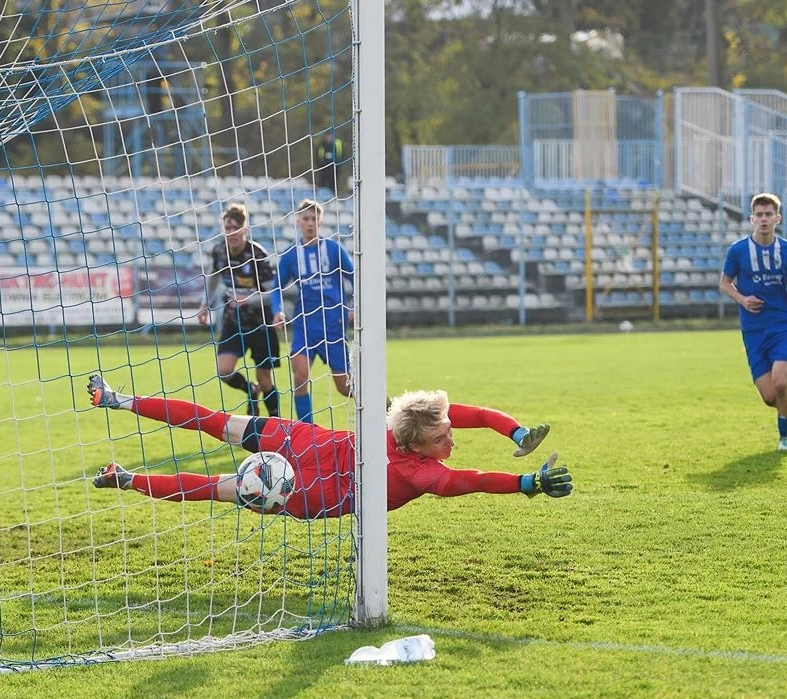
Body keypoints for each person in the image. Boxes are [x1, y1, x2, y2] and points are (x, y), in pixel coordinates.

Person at [85, 373, 566, 519]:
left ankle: (126, 479)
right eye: (442, 438)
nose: (450, 438)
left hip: (314, 486)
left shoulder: (413, 431)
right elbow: (472, 480)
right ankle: (118, 400)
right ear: (416, 443)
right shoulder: (418, 465)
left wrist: (517, 435)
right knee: (216, 423)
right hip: (313, 460)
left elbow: (476, 424)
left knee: (217, 487)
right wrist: (527, 482)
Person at [719, 192, 787, 452]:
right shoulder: (738, 250)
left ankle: (785, 438)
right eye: (759, 215)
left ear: (778, 218)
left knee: (781, 383)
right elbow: (725, 283)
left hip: (782, 324)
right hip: (753, 329)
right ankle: (786, 410)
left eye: (769, 214)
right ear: (752, 219)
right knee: (769, 396)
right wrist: (743, 300)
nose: (764, 219)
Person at [197, 203, 282, 417]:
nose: (232, 232)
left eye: (236, 228)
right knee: (224, 371)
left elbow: (273, 294)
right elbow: (213, 276)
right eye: (228, 228)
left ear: (245, 229)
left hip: (261, 325)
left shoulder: (257, 255)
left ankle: (275, 421)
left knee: (265, 380)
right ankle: (250, 389)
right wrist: (205, 304)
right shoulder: (219, 251)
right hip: (233, 321)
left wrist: (249, 300)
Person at [273, 199, 354, 423]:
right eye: (306, 219)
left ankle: (386, 408)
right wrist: (277, 311)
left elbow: (355, 276)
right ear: (297, 221)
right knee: (300, 378)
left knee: (344, 387)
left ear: (321, 222)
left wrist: (356, 306)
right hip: (305, 326)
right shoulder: (291, 254)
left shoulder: (334, 249)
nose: (310, 223)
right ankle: (307, 432)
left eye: (314, 219)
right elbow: (276, 287)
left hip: (333, 325)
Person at [313, 131, 343, 196]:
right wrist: (320, 165)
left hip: (334, 168)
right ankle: (321, 197)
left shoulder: (337, 143)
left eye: (330, 135)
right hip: (323, 168)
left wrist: (338, 163)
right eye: (327, 135)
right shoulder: (321, 145)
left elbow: (341, 155)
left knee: (333, 183)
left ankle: (333, 196)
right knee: (322, 183)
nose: (328, 137)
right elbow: (317, 157)